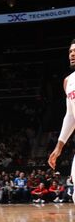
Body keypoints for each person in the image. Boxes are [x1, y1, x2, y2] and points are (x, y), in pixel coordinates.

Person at [48, 39, 75, 180]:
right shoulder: (68, 81)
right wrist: (59, 147)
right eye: (70, 51)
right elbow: (71, 116)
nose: (72, 54)